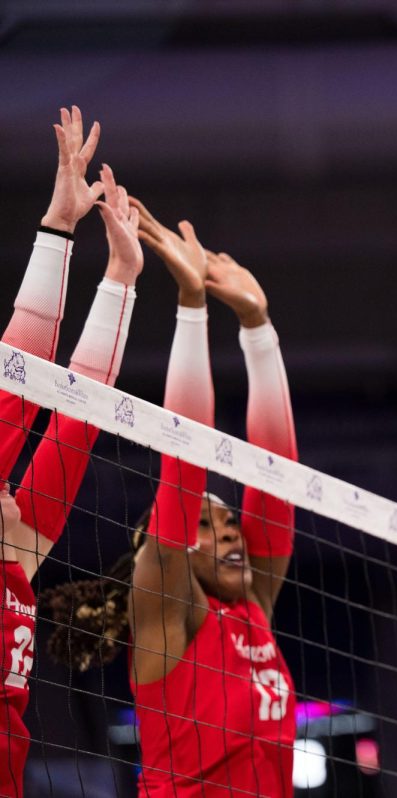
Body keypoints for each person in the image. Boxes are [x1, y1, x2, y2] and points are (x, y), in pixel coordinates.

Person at [40, 202, 299, 797]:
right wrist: (190, 305)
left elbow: (279, 481)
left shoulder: (254, 605)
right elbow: (181, 476)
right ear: (173, 550)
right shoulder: (169, 615)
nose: (233, 531)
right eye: (210, 526)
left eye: (231, 520)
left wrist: (259, 328)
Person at [0, 106, 144, 798]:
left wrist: (120, 276)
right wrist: (57, 232)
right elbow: (16, 394)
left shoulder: (16, 564)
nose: (8, 485)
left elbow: (74, 422)